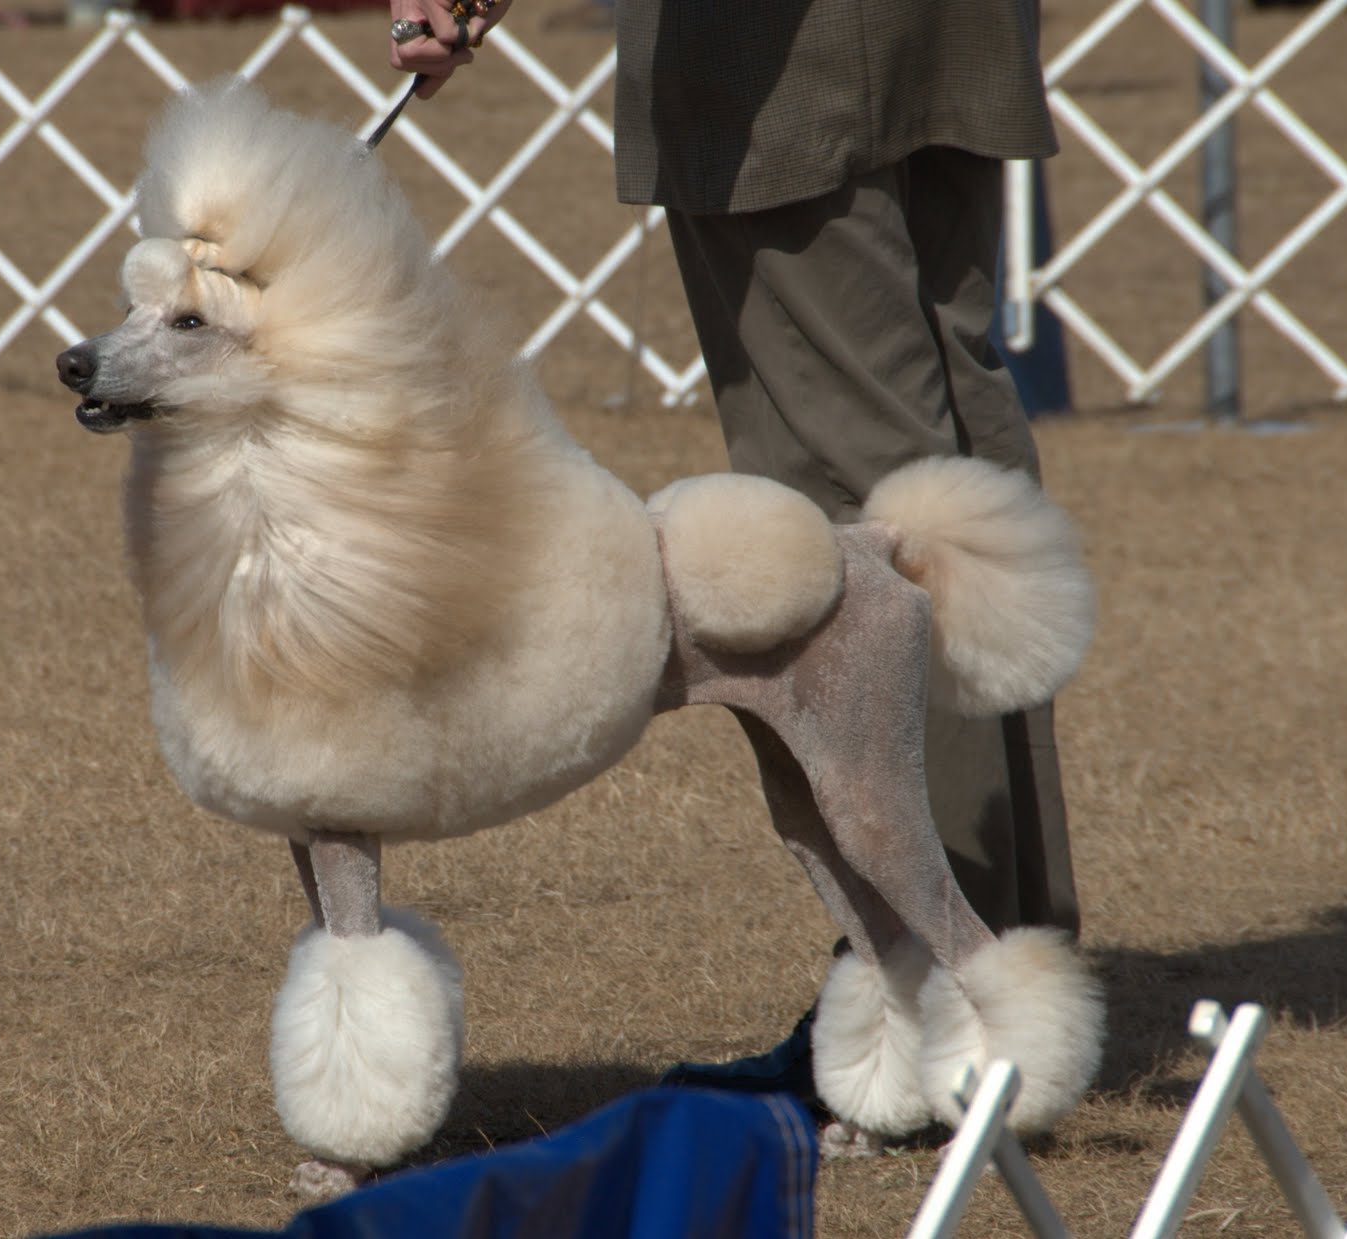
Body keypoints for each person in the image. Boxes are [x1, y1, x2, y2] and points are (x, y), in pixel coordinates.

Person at [386, 0, 1078, 1103]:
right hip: (941, 34)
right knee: (954, 462)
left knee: (861, 516)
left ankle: (940, 996)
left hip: (782, 64)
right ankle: (1006, 958)